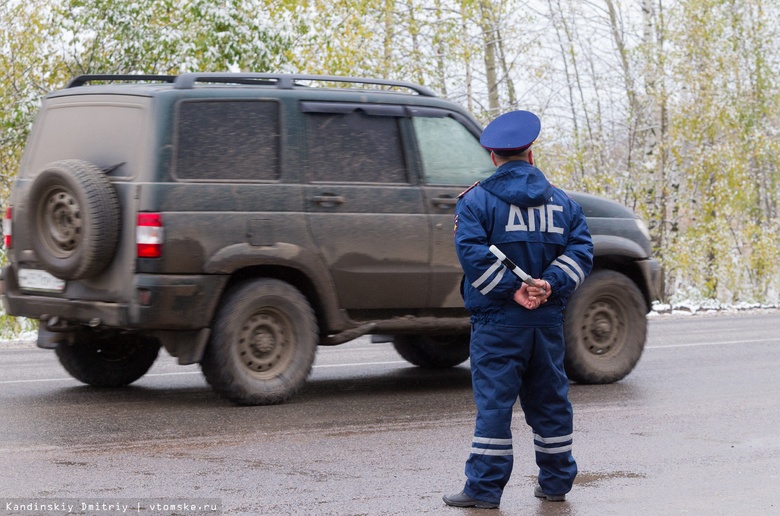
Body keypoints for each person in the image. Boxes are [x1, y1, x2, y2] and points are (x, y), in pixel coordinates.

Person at [443, 110, 593, 509]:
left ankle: (483, 490)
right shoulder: (564, 203)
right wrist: (548, 284)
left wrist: (513, 291)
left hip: (497, 323)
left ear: (493, 157)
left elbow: (472, 255)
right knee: (550, 403)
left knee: (494, 406)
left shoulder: (476, 201)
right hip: (545, 321)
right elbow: (581, 252)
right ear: (530, 154)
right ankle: (557, 483)